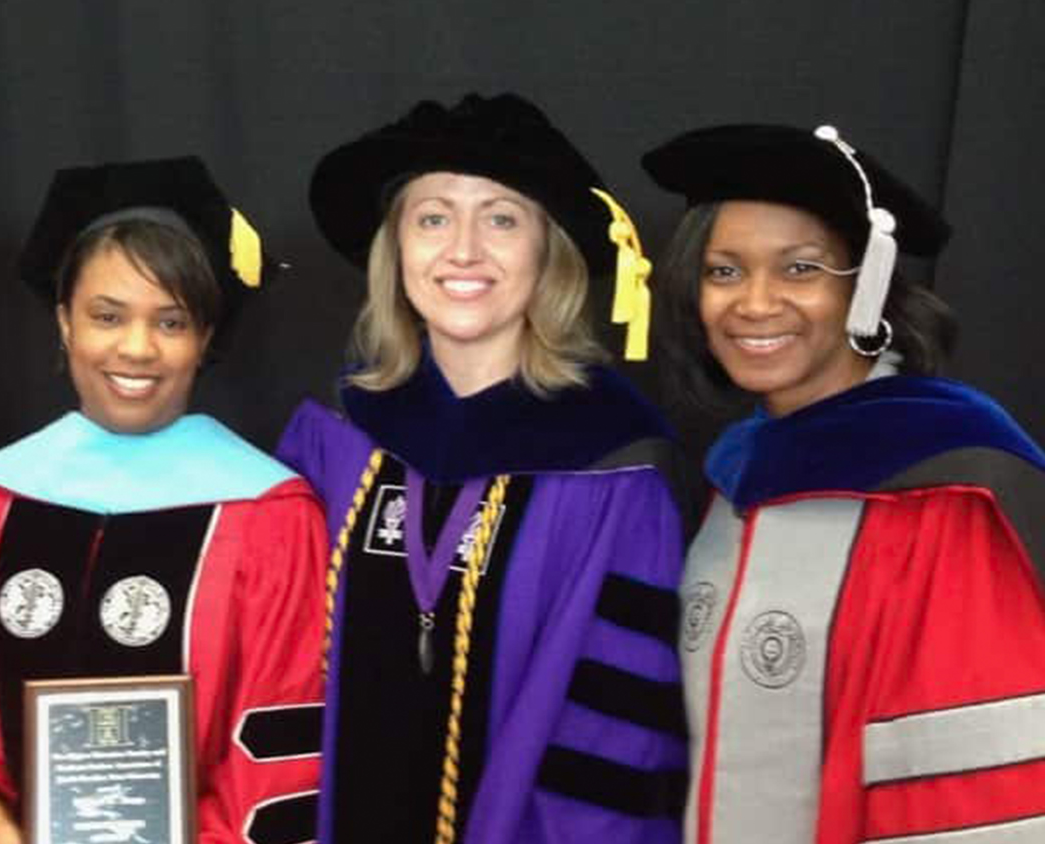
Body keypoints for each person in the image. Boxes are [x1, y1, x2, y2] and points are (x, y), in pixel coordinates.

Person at [277, 93, 688, 844]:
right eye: (433, 217)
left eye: (502, 218)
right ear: (396, 249)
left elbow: (618, 745)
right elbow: (276, 680)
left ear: (547, 250)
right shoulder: (332, 438)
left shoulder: (614, 468)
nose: (463, 250)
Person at [644, 123, 1045, 844]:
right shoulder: (736, 477)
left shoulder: (943, 487)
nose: (755, 303)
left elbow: (964, 789)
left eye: (800, 269)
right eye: (723, 270)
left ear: (867, 286)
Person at [0, 156, 327, 844]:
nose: (137, 348)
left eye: (171, 322)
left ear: (205, 340)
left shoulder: (270, 516)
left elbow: (278, 756)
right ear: (65, 322)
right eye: (108, 315)